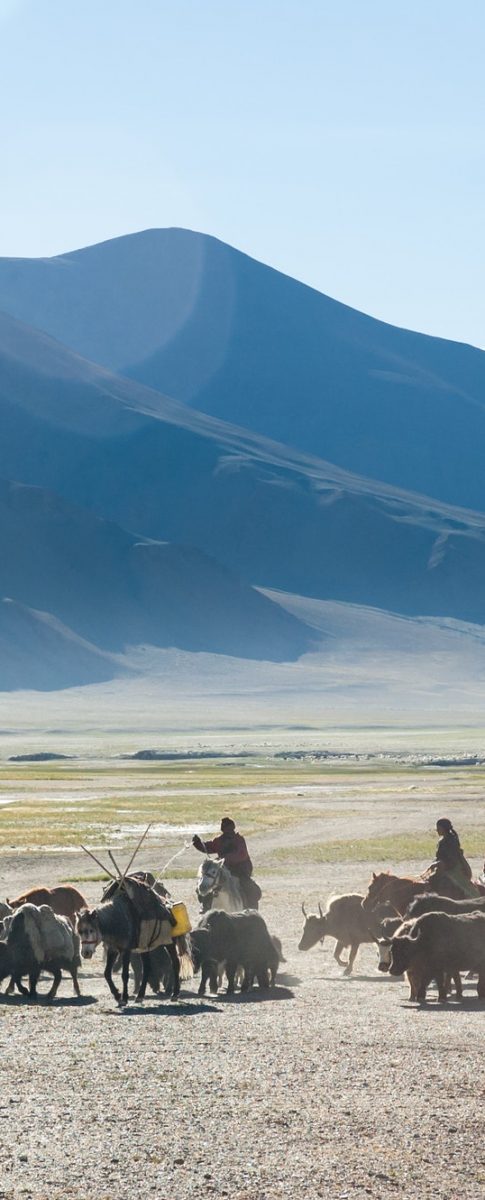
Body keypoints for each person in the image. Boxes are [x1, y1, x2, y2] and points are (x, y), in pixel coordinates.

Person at [192, 817, 260, 907]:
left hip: (240, 871)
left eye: (227, 827)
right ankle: (206, 906)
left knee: (249, 888)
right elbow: (208, 847)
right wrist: (198, 843)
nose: (226, 830)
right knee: (209, 881)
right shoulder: (220, 840)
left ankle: (251, 909)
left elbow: (241, 855)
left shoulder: (239, 840)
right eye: (224, 827)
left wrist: (224, 859)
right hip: (223, 870)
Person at [426, 818, 476, 897]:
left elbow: (451, 858)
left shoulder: (450, 840)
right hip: (444, 865)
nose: (437, 830)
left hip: (452, 867)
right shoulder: (444, 839)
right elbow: (440, 856)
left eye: (439, 828)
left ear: (443, 829)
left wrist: (438, 863)